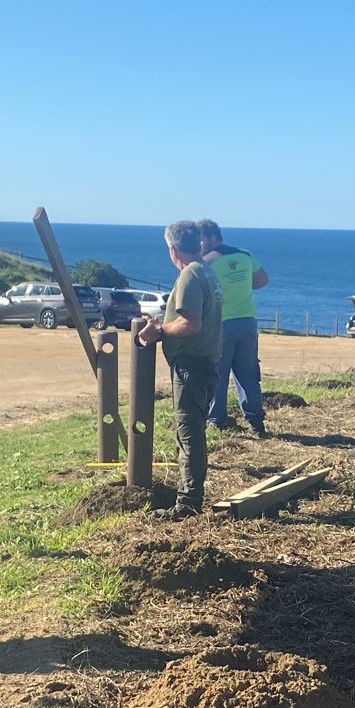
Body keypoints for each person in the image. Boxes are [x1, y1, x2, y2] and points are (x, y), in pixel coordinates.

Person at [134, 220, 223, 519]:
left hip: (191, 365)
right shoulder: (207, 271)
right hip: (205, 361)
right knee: (191, 431)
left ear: (173, 249)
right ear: (197, 243)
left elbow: (189, 323)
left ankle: (188, 502)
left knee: (189, 433)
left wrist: (159, 329)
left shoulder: (189, 275)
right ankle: (188, 495)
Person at [197, 219, 270, 435]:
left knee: (217, 373)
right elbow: (262, 280)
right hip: (247, 320)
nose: (198, 245)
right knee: (247, 373)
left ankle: (216, 421)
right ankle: (256, 422)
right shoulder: (244, 255)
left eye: (200, 240)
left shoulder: (206, 261)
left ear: (211, 237)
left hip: (221, 323)